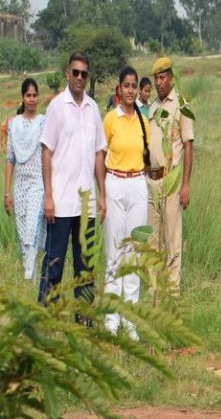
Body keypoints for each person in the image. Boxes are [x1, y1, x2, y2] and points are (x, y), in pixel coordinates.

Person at [38, 51, 107, 319]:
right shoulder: (56, 107)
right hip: (61, 201)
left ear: (88, 77)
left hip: (86, 202)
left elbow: (99, 153)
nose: (79, 78)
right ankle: (47, 316)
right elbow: (46, 151)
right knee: (53, 263)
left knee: (86, 265)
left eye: (84, 74)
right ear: (68, 73)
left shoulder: (93, 109)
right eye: (75, 72)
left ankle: (84, 318)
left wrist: (102, 195)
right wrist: (48, 196)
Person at [102, 67, 150, 337]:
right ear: (119, 89)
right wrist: (100, 191)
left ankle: (130, 320)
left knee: (133, 253)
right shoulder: (110, 119)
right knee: (114, 252)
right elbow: (101, 155)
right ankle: (111, 320)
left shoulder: (143, 120)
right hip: (114, 183)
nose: (131, 90)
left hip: (137, 185)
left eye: (134, 86)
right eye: (127, 85)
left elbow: (147, 155)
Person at [147, 57, 195, 290]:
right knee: (153, 239)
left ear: (171, 78)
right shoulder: (153, 107)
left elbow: (188, 145)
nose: (159, 82)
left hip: (172, 180)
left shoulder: (182, 104)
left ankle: (172, 292)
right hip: (151, 181)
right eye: (156, 78)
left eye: (163, 77)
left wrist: (185, 184)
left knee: (172, 239)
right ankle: (155, 290)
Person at [5, 78, 45, 280]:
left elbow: (48, 157)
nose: (32, 99)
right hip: (19, 185)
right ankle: (31, 277)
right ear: (22, 97)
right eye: (28, 95)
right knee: (23, 235)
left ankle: (29, 276)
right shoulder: (13, 125)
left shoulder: (43, 122)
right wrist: (6, 193)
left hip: (37, 183)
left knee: (32, 229)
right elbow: (10, 158)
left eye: (34, 95)